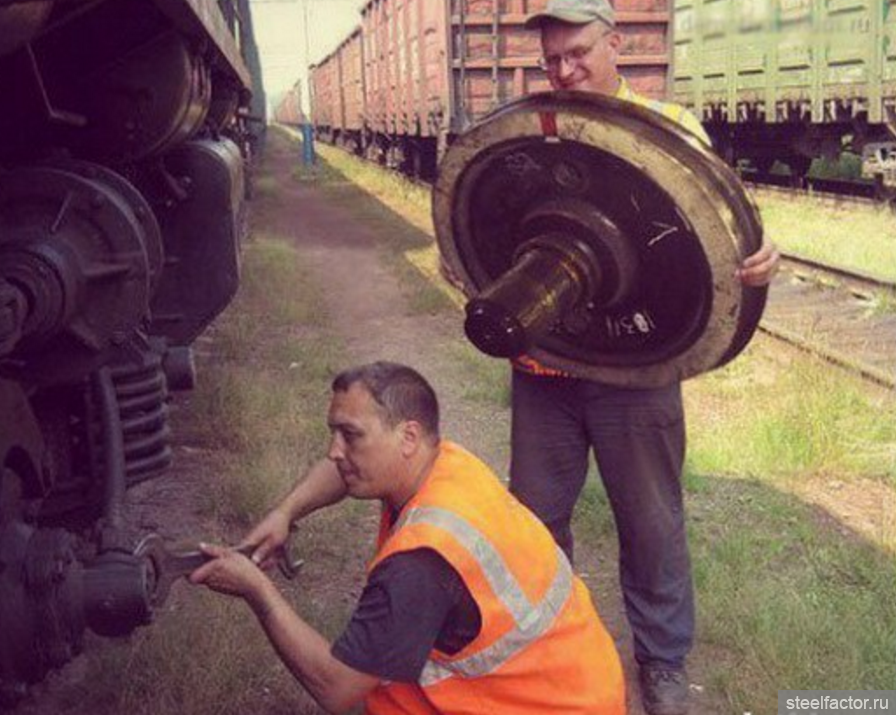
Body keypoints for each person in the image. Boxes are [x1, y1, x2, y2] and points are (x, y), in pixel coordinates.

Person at [503, 3, 783, 715]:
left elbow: (727, 232)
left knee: (651, 524)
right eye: (552, 60)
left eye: (578, 54)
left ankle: (662, 664)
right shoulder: (527, 131)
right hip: (545, 375)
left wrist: (756, 260)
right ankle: (550, 653)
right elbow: (489, 233)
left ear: (615, 44)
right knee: (534, 522)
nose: (565, 72)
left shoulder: (672, 130)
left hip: (637, 370)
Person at [190, 361, 627, 715]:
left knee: (374, 686)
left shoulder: (421, 562)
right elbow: (341, 472)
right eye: (333, 433)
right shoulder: (444, 463)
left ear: (408, 437)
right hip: (574, 685)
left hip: (547, 704)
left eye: (351, 435)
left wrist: (257, 589)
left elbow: (337, 688)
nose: (333, 451)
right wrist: (284, 512)